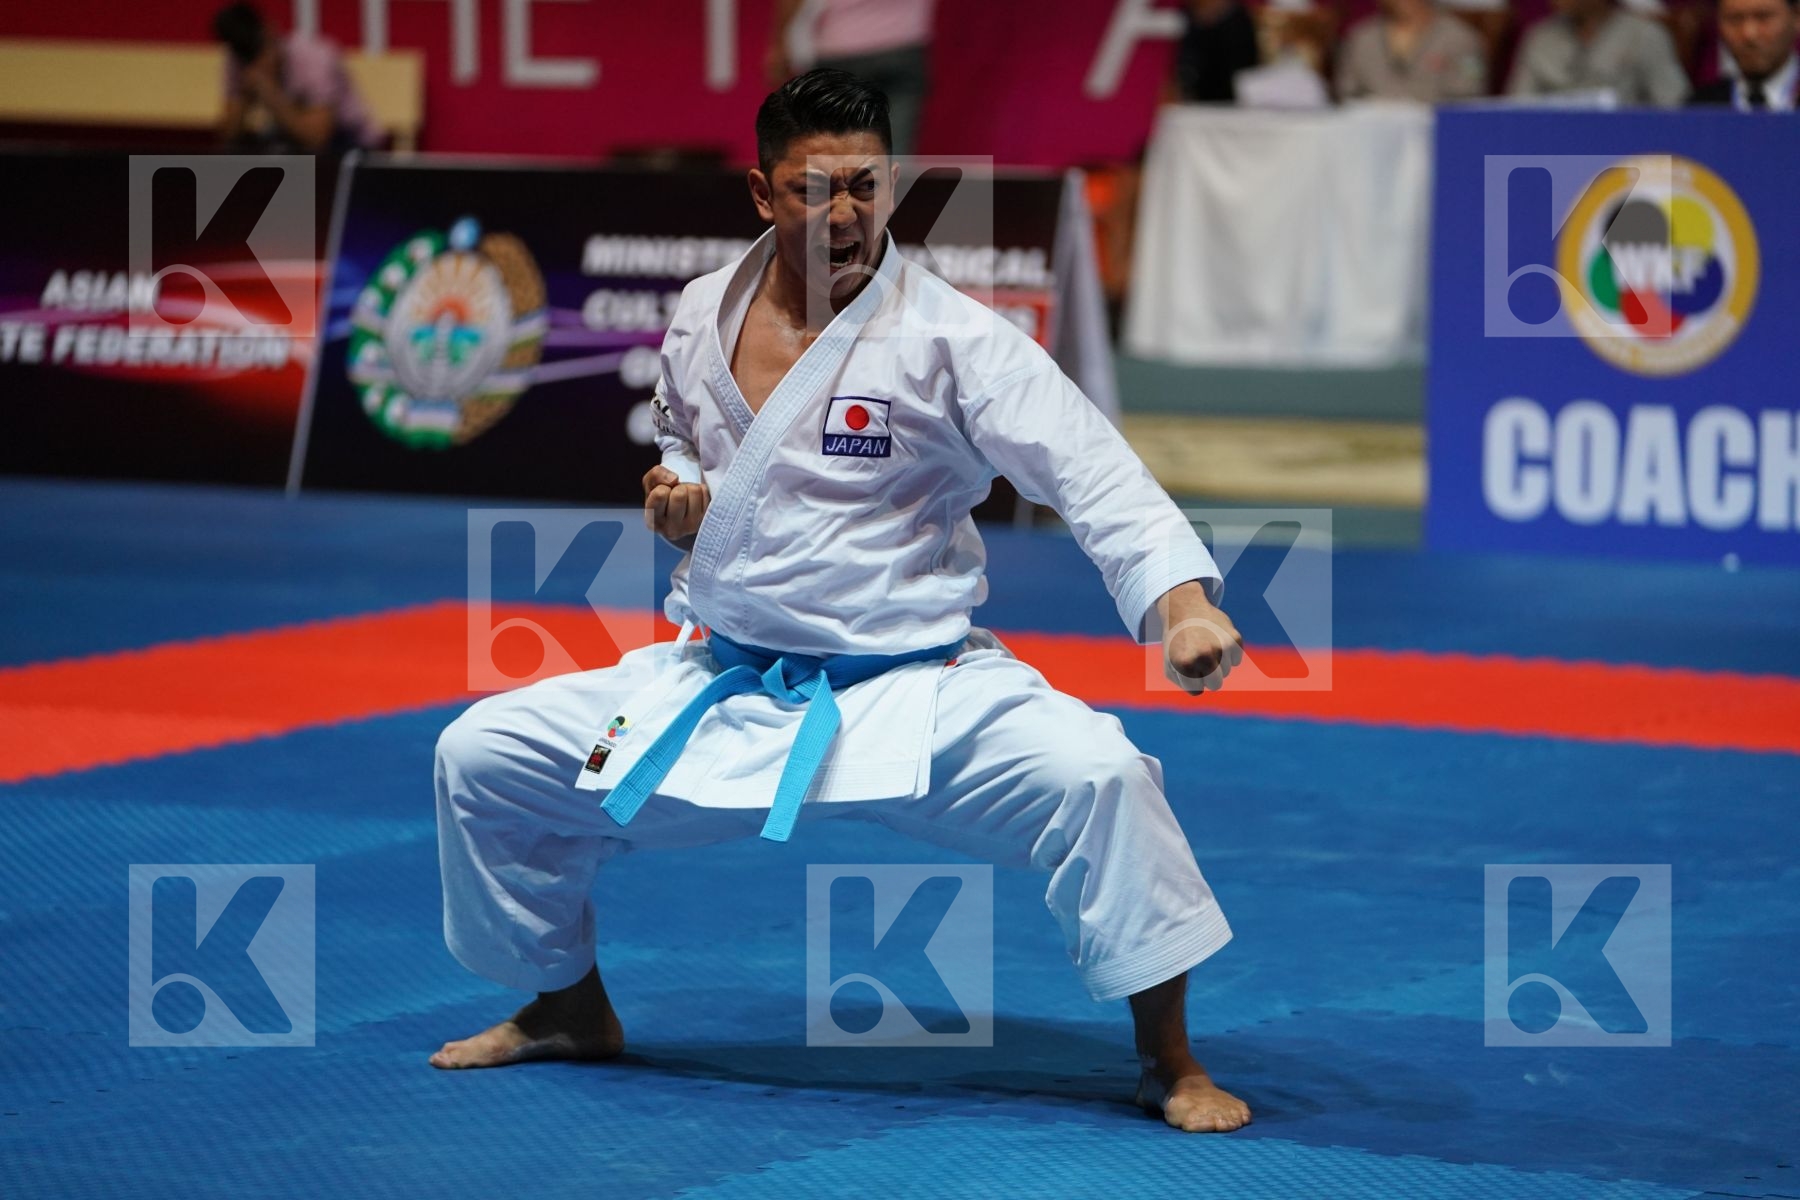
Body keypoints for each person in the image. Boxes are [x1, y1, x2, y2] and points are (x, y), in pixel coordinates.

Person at [429, 69, 1253, 1135]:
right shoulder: (700, 312)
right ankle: (566, 1008)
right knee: (482, 757)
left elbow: (1092, 473)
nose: (847, 213)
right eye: (815, 190)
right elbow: (684, 440)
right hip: (725, 686)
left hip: (919, 692)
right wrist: (680, 497)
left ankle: (1169, 1059)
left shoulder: (954, 338)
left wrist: (1181, 606)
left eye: (866, 185)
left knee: (1105, 778)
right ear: (762, 194)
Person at [766, 0, 933, 155]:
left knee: (835, 152)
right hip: (900, 50)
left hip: (839, 50)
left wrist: (780, 44)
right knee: (893, 148)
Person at [213, 3, 382, 153]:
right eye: (248, 57)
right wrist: (244, 96)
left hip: (351, 143)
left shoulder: (315, 58)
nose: (258, 62)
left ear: (271, 31)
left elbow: (317, 139)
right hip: (294, 144)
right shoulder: (238, 62)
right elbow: (228, 136)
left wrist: (270, 94)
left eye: (259, 50)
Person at [1507, 0, 1692, 105]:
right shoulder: (1539, 38)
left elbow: (1674, 104)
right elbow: (1518, 107)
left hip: (1626, 149)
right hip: (1553, 147)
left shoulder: (1644, 36)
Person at [1337, 0, 1489, 102]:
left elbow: (1472, 88)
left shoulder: (1464, 39)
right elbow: (1346, 91)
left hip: (1438, 129)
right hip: (1370, 129)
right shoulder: (1361, 38)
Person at [1689, 0, 1798, 108]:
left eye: (1763, 17)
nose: (1749, 34)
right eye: (1735, 19)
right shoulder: (1698, 107)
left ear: (1796, 16)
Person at [1166, 0, 1263, 104]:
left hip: (1230, 104)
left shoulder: (1238, 23)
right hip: (1186, 105)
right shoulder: (1178, 18)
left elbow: (1247, 78)